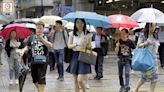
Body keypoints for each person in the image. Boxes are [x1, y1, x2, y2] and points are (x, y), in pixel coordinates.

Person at [22, 21, 52, 92]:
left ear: (43, 29)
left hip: (43, 61)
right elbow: (27, 46)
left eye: (41, 28)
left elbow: (50, 45)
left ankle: (41, 90)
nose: (39, 29)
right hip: (33, 61)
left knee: (41, 78)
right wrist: (23, 51)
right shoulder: (31, 37)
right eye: (38, 28)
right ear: (35, 28)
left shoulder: (46, 37)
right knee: (34, 79)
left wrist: (42, 39)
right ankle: (40, 90)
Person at [66, 18, 92, 92]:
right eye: (77, 22)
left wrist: (86, 44)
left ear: (84, 23)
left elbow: (90, 47)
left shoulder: (88, 34)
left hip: (84, 55)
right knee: (75, 81)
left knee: (80, 79)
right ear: (75, 24)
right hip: (75, 56)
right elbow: (69, 46)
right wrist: (76, 44)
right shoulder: (72, 33)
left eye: (81, 22)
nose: (79, 24)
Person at [134, 23, 159, 92]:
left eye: (155, 25)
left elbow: (156, 44)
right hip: (145, 59)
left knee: (155, 77)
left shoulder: (155, 35)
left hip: (154, 59)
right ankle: (136, 89)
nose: (154, 27)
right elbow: (138, 45)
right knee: (144, 77)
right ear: (149, 26)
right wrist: (146, 43)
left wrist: (156, 49)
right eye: (153, 25)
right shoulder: (143, 35)